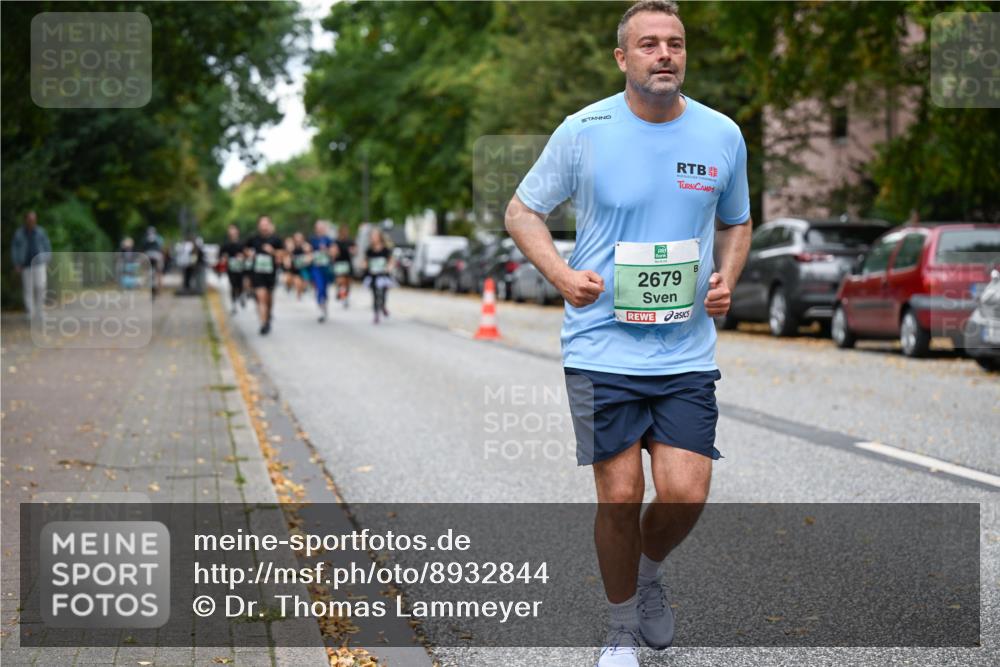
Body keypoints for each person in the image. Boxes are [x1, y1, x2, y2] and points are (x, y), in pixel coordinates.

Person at [504, 3, 752, 665]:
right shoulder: (584, 130)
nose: (664, 54)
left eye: (675, 43)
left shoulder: (721, 134)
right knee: (619, 495)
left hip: (685, 348)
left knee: (686, 491)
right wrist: (561, 274)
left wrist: (725, 277)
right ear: (623, 59)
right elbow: (522, 209)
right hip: (600, 343)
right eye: (648, 44)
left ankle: (646, 573)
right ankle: (620, 628)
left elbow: (737, 220)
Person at [246, 216, 284, 335]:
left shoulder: (276, 239)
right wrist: (249, 253)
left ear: (269, 225)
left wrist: (272, 251)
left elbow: (283, 254)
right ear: (259, 226)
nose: (264, 226)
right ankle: (263, 323)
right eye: (261, 224)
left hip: (271, 273)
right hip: (257, 272)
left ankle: (268, 317)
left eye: (266, 224)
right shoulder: (253, 238)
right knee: (261, 297)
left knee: (269, 299)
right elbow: (245, 250)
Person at [11, 210, 51, 320]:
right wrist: (16, 263)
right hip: (25, 265)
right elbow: (14, 249)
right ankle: (30, 311)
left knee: (41, 286)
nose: (32, 221)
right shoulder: (19, 233)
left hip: (39, 263)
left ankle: (40, 311)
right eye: (30, 219)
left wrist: (47, 258)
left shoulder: (41, 232)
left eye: (34, 219)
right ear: (26, 220)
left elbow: (47, 245)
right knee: (28, 289)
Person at [362, 228, 394, 325]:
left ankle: (383, 306)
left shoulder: (385, 249)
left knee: (383, 293)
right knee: (375, 294)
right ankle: (376, 314)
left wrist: (389, 267)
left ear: (380, 237)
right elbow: (365, 261)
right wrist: (364, 265)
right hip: (373, 275)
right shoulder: (369, 249)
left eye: (376, 236)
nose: (374, 238)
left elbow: (391, 260)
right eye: (372, 236)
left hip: (383, 275)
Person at [309, 220, 335, 322]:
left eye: (321, 227)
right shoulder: (312, 239)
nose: (320, 229)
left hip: (326, 267)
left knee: (324, 288)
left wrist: (327, 251)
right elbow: (308, 252)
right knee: (319, 287)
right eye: (318, 227)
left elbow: (333, 253)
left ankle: (324, 305)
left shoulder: (328, 240)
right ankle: (320, 308)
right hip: (316, 267)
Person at [221, 224, 246, 313]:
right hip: (231, 268)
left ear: (237, 232)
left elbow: (247, 254)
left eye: (233, 230)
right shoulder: (226, 244)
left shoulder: (242, 243)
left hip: (241, 267)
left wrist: (243, 256)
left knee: (240, 284)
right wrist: (224, 258)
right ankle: (234, 304)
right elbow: (221, 255)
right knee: (232, 285)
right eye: (230, 231)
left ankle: (241, 295)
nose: (232, 233)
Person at [331, 224, 356, 308]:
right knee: (341, 281)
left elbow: (355, 250)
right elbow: (333, 252)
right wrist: (334, 253)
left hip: (347, 263)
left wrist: (352, 251)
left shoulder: (350, 241)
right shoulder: (336, 241)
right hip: (339, 263)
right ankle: (342, 296)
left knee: (347, 282)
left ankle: (345, 296)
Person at [139, 226, 165, 298]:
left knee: (146, 272)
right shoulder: (158, 238)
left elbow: (142, 250)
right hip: (157, 256)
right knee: (159, 273)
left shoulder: (145, 239)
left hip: (148, 255)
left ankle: (146, 288)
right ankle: (159, 290)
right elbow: (161, 248)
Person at [291, 231, 312, 301]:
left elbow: (310, 255)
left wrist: (308, 259)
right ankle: (298, 292)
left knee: (304, 283)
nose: (298, 239)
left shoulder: (306, 246)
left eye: (299, 237)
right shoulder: (292, 246)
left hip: (304, 268)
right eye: (296, 237)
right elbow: (288, 255)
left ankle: (303, 290)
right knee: (297, 283)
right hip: (295, 268)